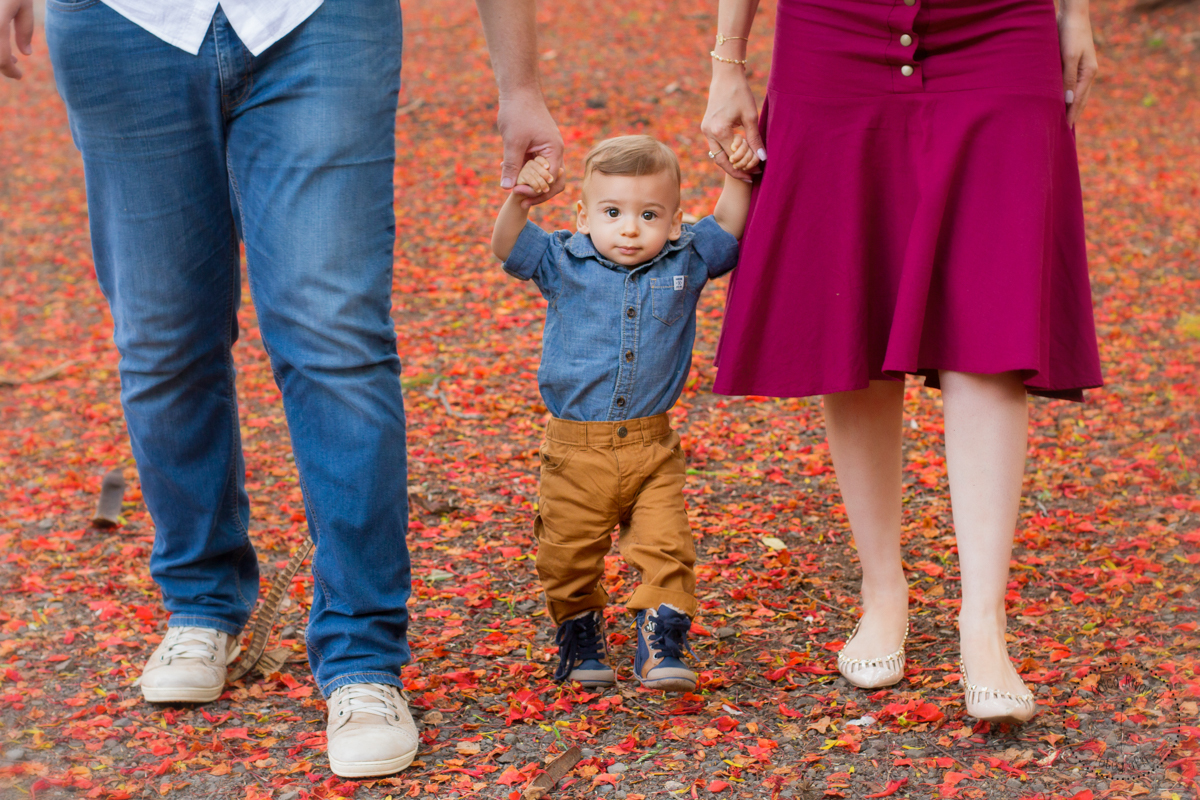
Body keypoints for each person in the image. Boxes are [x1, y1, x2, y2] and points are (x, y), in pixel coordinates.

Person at [3, 0, 563, 778]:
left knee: (334, 333)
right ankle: (201, 600)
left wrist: (520, 84)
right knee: (162, 337)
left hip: (321, 20)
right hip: (123, 25)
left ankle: (363, 652)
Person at [701, 0, 1101, 724]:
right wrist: (729, 58)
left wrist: (1076, 13)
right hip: (833, 27)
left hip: (999, 24)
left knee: (993, 316)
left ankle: (984, 623)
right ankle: (883, 589)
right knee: (853, 301)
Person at [491, 134, 758, 692]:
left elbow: (729, 226)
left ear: (676, 221)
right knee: (567, 554)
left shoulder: (685, 259)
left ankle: (662, 643)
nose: (630, 229)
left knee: (666, 545)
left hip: (651, 447)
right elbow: (507, 245)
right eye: (612, 213)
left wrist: (736, 175)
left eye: (649, 214)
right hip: (574, 451)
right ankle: (581, 633)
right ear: (583, 216)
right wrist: (520, 199)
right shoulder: (562, 261)